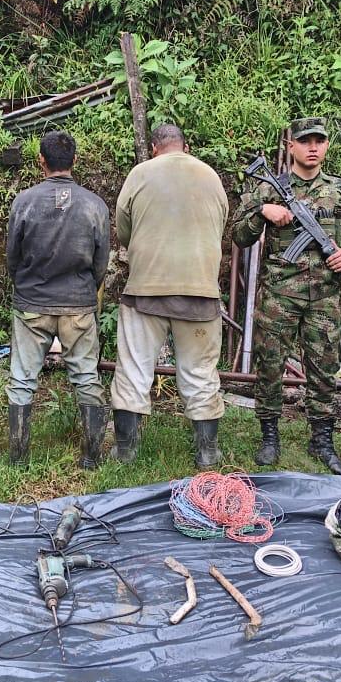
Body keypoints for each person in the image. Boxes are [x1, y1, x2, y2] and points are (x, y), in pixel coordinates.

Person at [231, 117, 341, 475]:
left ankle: (321, 439)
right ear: (290, 146)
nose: (312, 147)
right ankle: (269, 435)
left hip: (325, 295)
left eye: (319, 141)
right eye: (305, 141)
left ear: (326, 146)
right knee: (270, 365)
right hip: (279, 294)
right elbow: (239, 237)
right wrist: (261, 212)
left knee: (323, 369)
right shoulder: (268, 189)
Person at [110, 123, 228, 468]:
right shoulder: (210, 175)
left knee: (133, 368)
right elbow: (219, 225)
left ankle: (126, 451)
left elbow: (124, 229)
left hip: (146, 291)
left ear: (153, 147)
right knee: (200, 371)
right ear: (185, 146)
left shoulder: (140, 173)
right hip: (200, 293)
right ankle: (207, 452)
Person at [5, 131, 110, 468]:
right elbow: (100, 261)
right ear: (74, 161)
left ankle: (19, 458)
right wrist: (85, 290)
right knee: (86, 376)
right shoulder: (95, 205)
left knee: (22, 379)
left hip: (32, 303)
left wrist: (25, 285)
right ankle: (91, 457)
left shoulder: (24, 201)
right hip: (78, 304)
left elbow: (12, 256)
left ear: (41, 161)